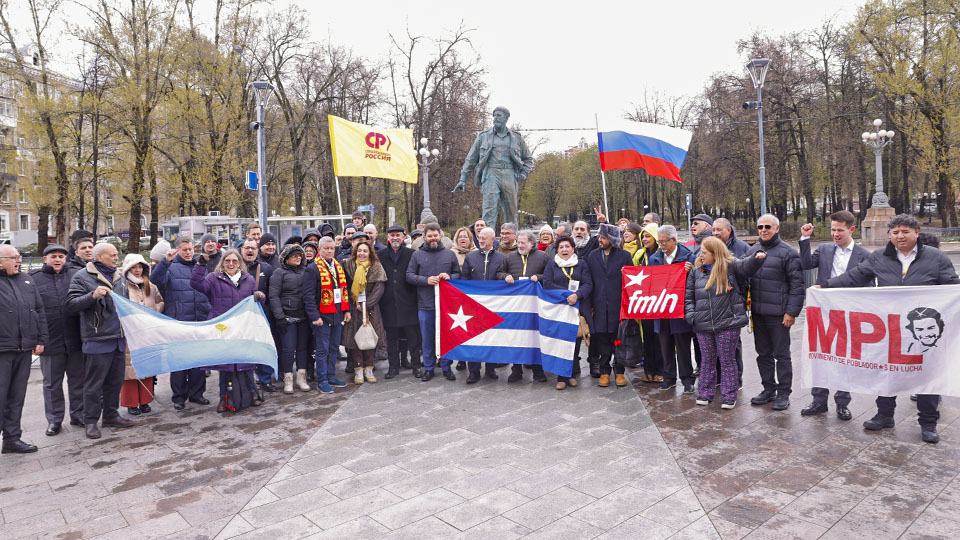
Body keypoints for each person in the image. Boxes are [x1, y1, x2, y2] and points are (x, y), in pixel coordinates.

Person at [825, 214, 958, 443]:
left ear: (916, 233)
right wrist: (825, 286)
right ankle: (884, 415)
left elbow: (952, 286)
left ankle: (928, 423)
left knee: (927, 376)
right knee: (888, 374)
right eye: (895, 232)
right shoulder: (880, 256)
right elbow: (855, 277)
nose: (900, 236)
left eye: (905, 231)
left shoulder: (936, 257)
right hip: (892, 329)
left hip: (923, 331)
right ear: (890, 235)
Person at [798, 210, 869, 420]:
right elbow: (806, 264)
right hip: (824, 311)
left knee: (845, 358)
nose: (835, 234)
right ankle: (818, 401)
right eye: (833, 229)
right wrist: (805, 239)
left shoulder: (864, 255)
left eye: (840, 230)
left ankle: (842, 402)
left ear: (851, 229)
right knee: (820, 355)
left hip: (850, 312)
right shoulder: (825, 249)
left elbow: (864, 283)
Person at [685, 237, 766, 409]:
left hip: (728, 323)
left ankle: (729, 396)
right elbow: (689, 297)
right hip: (703, 324)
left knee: (727, 360)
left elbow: (747, 266)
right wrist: (692, 316)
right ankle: (705, 393)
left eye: (704, 253)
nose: (700, 255)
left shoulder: (731, 267)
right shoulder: (696, 271)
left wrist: (757, 257)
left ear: (715, 253)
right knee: (707, 360)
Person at [66, 242, 135, 439]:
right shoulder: (81, 276)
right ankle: (90, 421)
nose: (116, 258)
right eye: (112, 255)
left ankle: (111, 415)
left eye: (116, 255)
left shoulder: (120, 277)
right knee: (94, 385)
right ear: (99, 257)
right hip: (97, 339)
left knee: (115, 382)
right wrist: (92, 295)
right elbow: (71, 305)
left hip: (118, 339)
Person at [190, 248, 265, 411]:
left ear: (239, 263)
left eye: (234, 261)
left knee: (246, 362)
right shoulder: (213, 278)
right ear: (222, 263)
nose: (231, 264)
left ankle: (252, 393)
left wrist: (260, 296)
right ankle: (223, 398)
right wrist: (200, 265)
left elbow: (255, 300)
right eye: (227, 261)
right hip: (222, 328)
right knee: (225, 366)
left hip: (243, 327)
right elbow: (196, 284)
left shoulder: (248, 279)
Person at [746, 214, 804, 411]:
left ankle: (784, 393)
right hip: (758, 313)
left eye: (768, 227)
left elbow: (797, 286)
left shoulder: (788, 253)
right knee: (763, 354)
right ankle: (768, 389)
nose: (763, 230)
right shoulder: (752, 251)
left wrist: (791, 312)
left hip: (779, 314)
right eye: (760, 227)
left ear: (777, 229)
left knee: (782, 355)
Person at [150, 235, 211, 410]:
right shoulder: (171, 266)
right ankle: (179, 397)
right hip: (179, 321)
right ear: (177, 250)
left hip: (199, 319)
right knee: (179, 362)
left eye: (191, 249)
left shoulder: (200, 266)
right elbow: (155, 280)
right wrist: (165, 262)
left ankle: (197, 394)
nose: (188, 252)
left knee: (198, 361)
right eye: (184, 250)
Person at [31, 244, 84, 435]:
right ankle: (54, 420)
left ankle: (79, 414)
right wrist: (35, 339)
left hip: (76, 338)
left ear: (66, 258)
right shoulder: (34, 279)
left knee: (78, 380)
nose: (58, 260)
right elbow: (31, 311)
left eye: (61, 256)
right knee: (52, 384)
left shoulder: (76, 275)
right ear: (45, 259)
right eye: (53, 256)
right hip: (50, 341)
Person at [454, 106, 535, 227]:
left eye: (499, 115)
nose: (495, 118)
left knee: (511, 212)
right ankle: (488, 237)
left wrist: (523, 173)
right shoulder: (483, 136)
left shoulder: (516, 137)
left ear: (506, 118)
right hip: (490, 174)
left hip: (509, 174)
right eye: (494, 115)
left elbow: (528, 158)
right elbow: (471, 159)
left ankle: (512, 238)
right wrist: (463, 179)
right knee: (489, 211)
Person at [0, 245, 46, 453]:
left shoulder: (26, 280)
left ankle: (12, 439)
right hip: (2, 350)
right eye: (14, 258)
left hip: (23, 348)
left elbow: (39, 311)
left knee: (16, 397)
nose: (19, 261)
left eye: (19, 257)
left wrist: (40, 339)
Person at [406, 223, 460, 382]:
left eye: (435, 235)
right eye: (429, 236)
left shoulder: (449, 254)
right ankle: (429, 368)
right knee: (427, 339)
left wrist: (450, 277)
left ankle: (446, 367)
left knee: (445, 338)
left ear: (440, 235)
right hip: (425, 304)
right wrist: (425, 280)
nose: (433, 238)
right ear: (424, 237)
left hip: (446, 305)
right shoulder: (417, 255)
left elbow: (458, 273)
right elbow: (409, 275)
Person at [649, 225, 697, 393]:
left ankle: (687, 379)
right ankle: (668, 377)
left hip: (679, 310)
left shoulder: (689, 257)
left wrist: (691, 271)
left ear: (673, 240)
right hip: (661, 309)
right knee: (665, 346)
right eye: (659, 241)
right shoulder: (654, 258)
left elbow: (697, 279)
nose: (661, 245)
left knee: (683, 346)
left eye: (664, 241)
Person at [498, 230, 550, 383]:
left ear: (531, 243)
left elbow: (550, 275)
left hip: (535, 305)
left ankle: (538, 370)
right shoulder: (509, 257)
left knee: (535, 337)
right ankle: (516, 370)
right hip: (516, 305)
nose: (519, 245)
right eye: (518, 242)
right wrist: (505, 276)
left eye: (523, 242)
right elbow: (499, 272)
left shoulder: (543, 257)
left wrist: (539, 277)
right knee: (516, 337)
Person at [586, 224, 633, 387]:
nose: (600, 240)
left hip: (618, 305)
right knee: (602, 339)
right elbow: (589, 280)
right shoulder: (592, 255)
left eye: (604, 238)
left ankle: (619, 371)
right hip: (599, 305)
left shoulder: (624, 256)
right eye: (600, 237)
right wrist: (590, 304)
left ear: (612, 240)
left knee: (618, 339)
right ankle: (604, 371)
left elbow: (631, 281)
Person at [543, 236, 593, 390]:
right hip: (559, 309)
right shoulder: (552, 264)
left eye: (567, 246)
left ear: (573, 249)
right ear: (557, 250)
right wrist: (566, 295)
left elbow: (588, 283)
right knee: (560, 343)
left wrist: (577, 295)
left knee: (575, 342)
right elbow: (547, 283)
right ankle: (561, 377)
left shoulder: (581, 263)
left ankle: (571, 374)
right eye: (561, 247)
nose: (564, 249)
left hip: (577, 308)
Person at [303, 237, 352, 393]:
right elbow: (308, 296)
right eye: (326, 248)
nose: (330, 251)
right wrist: (314, 316)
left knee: (333, 348)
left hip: (337, 314)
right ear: (319, 250)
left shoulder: (338, 266)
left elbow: (344, 290)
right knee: (322, 350)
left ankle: (331, 376)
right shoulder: (312, 269)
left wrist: (347, 310)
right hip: (322, 317)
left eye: (332, 248)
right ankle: (322, 379)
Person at [116, 254, 163, 416]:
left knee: (147, 367)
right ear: (127, 268)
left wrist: (155, 311)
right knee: (129, 370)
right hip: (129, 333)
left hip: (147, 333)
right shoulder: (121, 286)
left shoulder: (150, 286)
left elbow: (160, 301)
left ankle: (145, 401)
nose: (137, 270)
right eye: (134, 267)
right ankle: (131, 403)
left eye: (140, 267)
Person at [460, 227, 505, 383]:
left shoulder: (501, 258)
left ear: (492, 240)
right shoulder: (470, 257)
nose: (481, 240)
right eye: (479, 237)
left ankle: (491, 369)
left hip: (494, 305)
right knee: (474, 339)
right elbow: (464, 279)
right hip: (474, 306)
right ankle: (474, 371)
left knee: (492, 338)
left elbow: (502, 277)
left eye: (484, 238)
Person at [379, 226, 422, 379]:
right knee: (391, 339)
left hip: (408, 302)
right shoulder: (380, 255)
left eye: (398, 235)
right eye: (392, 235)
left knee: (413, 338)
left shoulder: (412, 254)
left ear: (404, 237)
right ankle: (393, 367)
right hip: (388, 303)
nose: (395, 238)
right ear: (388, 238)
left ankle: (416, 366)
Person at [342, 239, 387, 384]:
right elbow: (345, 286)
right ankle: (358, 369)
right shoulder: (348, 265)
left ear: (370, 253)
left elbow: (379, 289)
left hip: (371, 309)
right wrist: (352, 304)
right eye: (359, 251)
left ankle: (369, 368)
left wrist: (367, 305)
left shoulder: (376, 267)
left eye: (365, 251)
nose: (362, 253)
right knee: (355, 340)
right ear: (355, 252)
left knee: (370, 338)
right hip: (354, 308)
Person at [270, 244, 312, 394]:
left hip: (304, 317)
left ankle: (301, 378)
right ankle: (288, 379)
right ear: (286, 258)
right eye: (294, 255)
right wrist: (279, 317)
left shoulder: (306, 271)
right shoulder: (279, 273)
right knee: (288, 350)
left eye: (300, 255)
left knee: (302, 349)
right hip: (287, 317)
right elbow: (273, 296)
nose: (298, 257)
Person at [632, 223, 663, 384]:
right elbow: (633, 273)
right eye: (642, 236)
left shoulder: (662, 254)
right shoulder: (639, 255)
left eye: (647, 236)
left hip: (661, 302)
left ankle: (660, 371)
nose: (644, 239)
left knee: (660, 338)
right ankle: (648, 370)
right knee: (647, 336)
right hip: (645, 303)